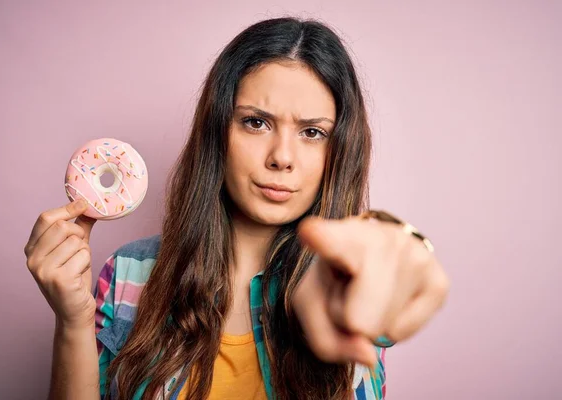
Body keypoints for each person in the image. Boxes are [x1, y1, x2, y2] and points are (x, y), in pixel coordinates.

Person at [24, 17, 449, 400]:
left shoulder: (344, 282)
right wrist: (72, 321)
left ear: (339, 151)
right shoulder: (128, 275)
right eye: (256, 122)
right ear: (217, 133)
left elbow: (391, 277)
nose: (282, 156)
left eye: (313, 132)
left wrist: (403, 257)